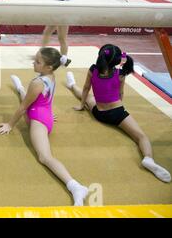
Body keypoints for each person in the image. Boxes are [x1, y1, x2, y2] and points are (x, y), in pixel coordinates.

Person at [0, 48, 89, 206]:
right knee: (25, 96)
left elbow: (23, 108)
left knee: (45, 157)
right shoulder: (50, 77)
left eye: (38, 61)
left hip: (38, 120)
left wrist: (10, 124)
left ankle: (76, 186)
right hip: (45, 114)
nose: (34, 62)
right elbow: (47, 98)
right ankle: (19, 86)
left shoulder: (37, 83)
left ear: (49, 67)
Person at [65, 44, 170, 183]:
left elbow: (86, 88)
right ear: (117, 61)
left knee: (89, 98)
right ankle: (148, 159)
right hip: (117, 113)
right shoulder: (120, 74)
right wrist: (121, 110)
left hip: (99, 113)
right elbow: (120, 94)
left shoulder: (93, 69)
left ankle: (71, 84)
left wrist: (80, 106)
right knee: (141, 137)